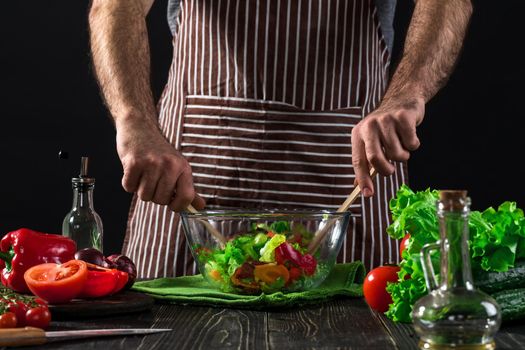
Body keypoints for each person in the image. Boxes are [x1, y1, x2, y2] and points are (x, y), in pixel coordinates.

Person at [88, 0, 472, 278]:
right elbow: (115, 6)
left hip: (347, 176)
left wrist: (407, 94)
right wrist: (134, 120)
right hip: (194, 172)